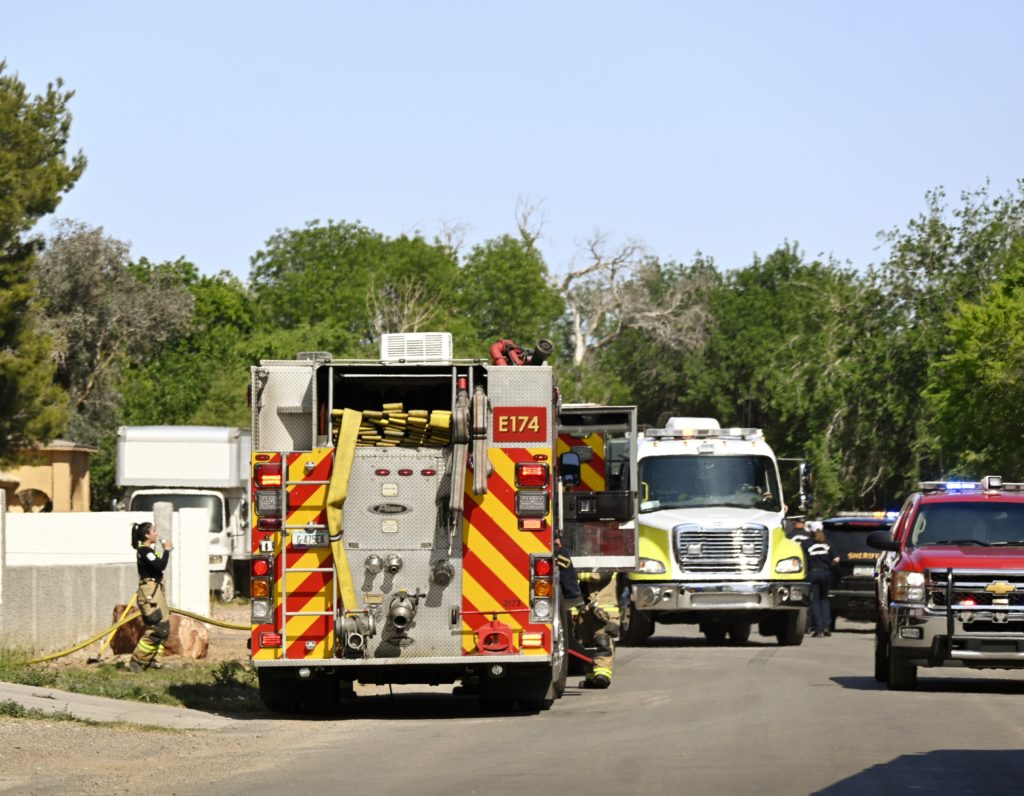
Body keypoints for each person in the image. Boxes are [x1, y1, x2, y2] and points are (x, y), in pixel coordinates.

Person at [555, 535, 617, 688]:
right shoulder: (583, 559)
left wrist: (574, 573)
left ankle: (602, 675)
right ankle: (590, 677)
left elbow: (599, 575)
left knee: (602, 640)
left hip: (603, 610)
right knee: (585, 643)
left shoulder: (608, 560)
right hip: (585, 610)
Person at [129, 521, 173, 672]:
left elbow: (158, 565)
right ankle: (137, 661)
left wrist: (164, 552)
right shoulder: (144, 551)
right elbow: (161, 566)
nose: (157, 533)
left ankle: (155, 663)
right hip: (150, 594)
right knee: (158, 628)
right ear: (147, 535)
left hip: (156, 591)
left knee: (164, 627)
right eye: (154, 531)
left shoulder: (149, 551)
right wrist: (166, 550)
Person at [803, 524, 838, 638]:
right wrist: (829, 565)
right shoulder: (828, 543)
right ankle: (827, 626)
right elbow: (836, 559)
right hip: (826, 573)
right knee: (824, 599)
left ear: (811, 531)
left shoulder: (806, 543)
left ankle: (818, 628)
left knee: (815, 601)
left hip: (813, 573)